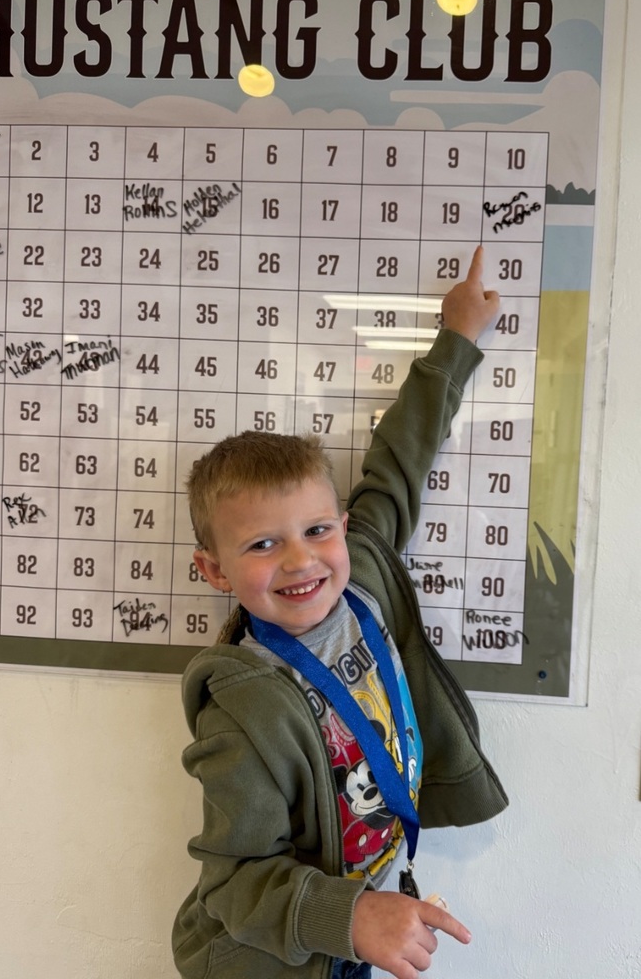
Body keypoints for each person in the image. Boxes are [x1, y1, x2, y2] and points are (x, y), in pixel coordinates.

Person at [172, 246, 508, 979]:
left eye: (318, 530)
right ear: (212, 569)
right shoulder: (243, 713)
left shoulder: (366, 583)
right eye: (263, 544)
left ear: (343, 526)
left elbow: (398, 462)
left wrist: (457, 340)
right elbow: (232, 883)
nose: (301, 561)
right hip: (286, 956)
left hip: (365, 925)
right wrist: (351, 918)